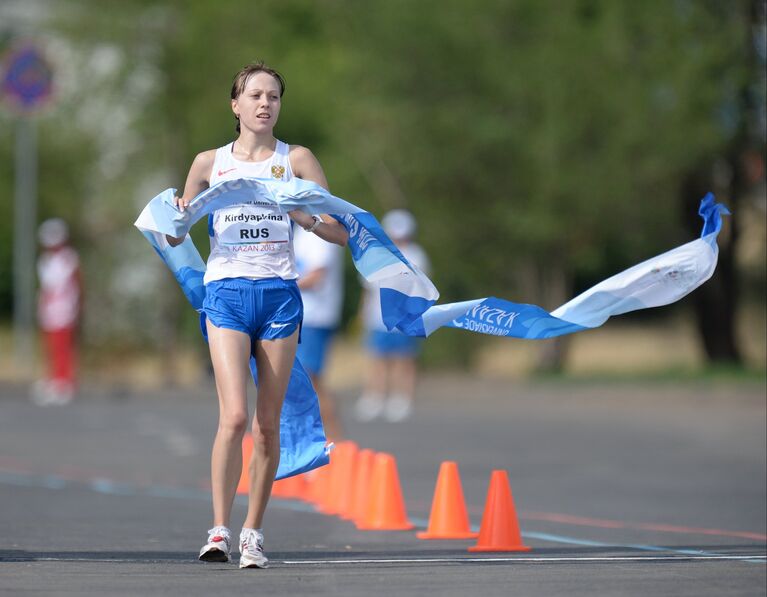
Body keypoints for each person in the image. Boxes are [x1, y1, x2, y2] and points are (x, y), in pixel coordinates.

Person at [166, 62, 348, 569]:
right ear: (235, 105)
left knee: (267, 425)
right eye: (255, 95)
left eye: (273, 96)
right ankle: (219, 530)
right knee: (235, 416)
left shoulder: (298, 159)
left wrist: (303, 216)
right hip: (225, 293)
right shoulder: (209, 162)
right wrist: (174, 220)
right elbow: (179, 232)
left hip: (279, 296)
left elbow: (342, 230)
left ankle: (253, 533)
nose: (265, 103)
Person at [354, 209, 430, 423]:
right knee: (377, 359)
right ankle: (374, 396)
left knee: (404, 360)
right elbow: (367, 289)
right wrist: (362, 314)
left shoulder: (416, 255)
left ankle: (402, 399)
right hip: (378, 317)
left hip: (405, 317)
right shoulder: (375, 254)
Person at [293, 223, 345, 440]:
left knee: (311, 381)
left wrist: (278, 288)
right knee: (299, 383)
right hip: (300, 314)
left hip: (315, 316)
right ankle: (310, 442)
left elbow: (316, 276)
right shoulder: (297, 229)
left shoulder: (318, 229)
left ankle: (336, 442)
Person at [32, 218, 82, 406]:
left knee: (63, 347)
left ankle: (65, 382)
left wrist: (77, 307)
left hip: (65, 310)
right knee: (50, 347)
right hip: (48, 310)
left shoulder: (69, 258)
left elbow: (76, 284)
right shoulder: (45, 260)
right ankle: (54, 378)